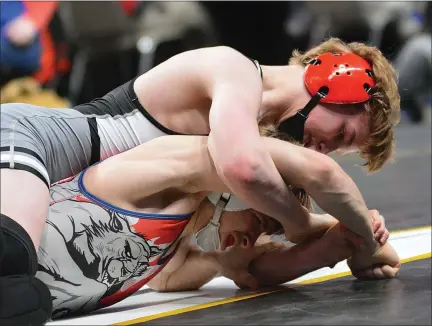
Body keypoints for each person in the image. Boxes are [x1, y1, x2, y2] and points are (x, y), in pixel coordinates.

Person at [1, 38, 400, 325]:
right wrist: (318, 228)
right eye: (342, 136)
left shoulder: (207, 186)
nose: (322, 148)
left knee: (22, 299)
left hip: (63, 181)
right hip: (28, 137)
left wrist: (332, 245)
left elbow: (248, 267)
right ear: (339, 80)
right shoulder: (233, 72)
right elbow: (249, 168)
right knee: (12, 259)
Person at [35, 133, 399, 319]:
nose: (252, 238)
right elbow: (313, 169)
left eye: (265, 231)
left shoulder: (173, 245)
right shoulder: (174, 169)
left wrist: (337, 244)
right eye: (259, 220)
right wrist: (333, 223)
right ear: (235, 189)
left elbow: (175, 279)